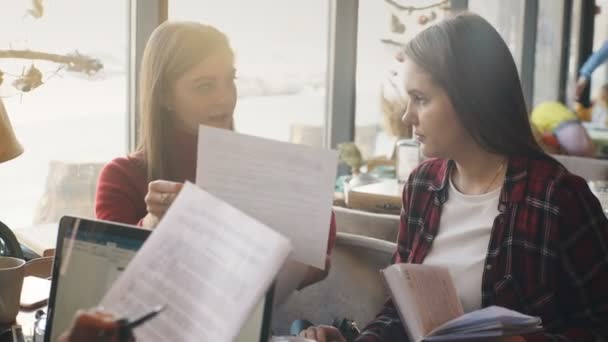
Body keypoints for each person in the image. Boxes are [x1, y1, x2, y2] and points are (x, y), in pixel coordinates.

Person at [301, 13, 608, 342]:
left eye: (420, 99)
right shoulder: (421, 186)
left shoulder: (557, 197)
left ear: (471, 97)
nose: (407, 116)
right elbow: (398, 315)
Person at [95, 21, 336, 288]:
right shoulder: (121, 176)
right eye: (205, 86)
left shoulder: (258, 165)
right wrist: (154, 221)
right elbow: (110, 277)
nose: (225, 98)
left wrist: (309, 205)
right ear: (164, 95)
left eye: (229, 80)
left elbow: (319, 260)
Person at [529, 101, 595, 157]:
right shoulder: (550, 105)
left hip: (565, 132)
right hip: (580, 128)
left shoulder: (533, 117)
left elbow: (546, 137)